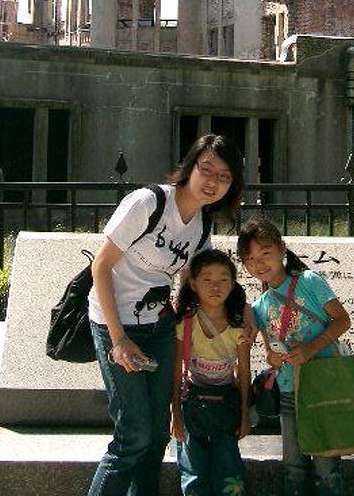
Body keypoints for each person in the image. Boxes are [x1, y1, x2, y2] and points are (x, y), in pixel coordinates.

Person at [86, 134, 244, 496]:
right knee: (133, 435)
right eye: (207, 170)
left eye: (224, 176)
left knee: (158, 433)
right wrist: (119, 340)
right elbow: (101, 267)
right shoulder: (148, 202)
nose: (213, 182)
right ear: (189, 168)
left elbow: (193, 285)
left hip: (157, 328)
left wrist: (241, 315)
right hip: (114, 323)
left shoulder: (202, 226)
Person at [237, 219, 352, 496]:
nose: (259, 263)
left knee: (326, 465)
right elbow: (270, 351)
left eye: (265, 253)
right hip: (289, 391)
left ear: (282, 249)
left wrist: (312, 347)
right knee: (293, 466)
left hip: (322, 386)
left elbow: (342, 320)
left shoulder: (309, 281)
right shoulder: (260, 306)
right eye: (250, 259)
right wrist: (272, 359)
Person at [172, 248, 251, 496]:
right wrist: (175, 413)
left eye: (223, 280)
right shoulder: (186, 322)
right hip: (192, 401)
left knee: (229, 470)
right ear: (193, 284)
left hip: (227, 402)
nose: (215, 287)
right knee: (192, 471)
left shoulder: (239, 324)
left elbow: (244, 372)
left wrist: (245, 413)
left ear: (233, 283)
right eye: (207, 280)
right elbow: (176, 371)